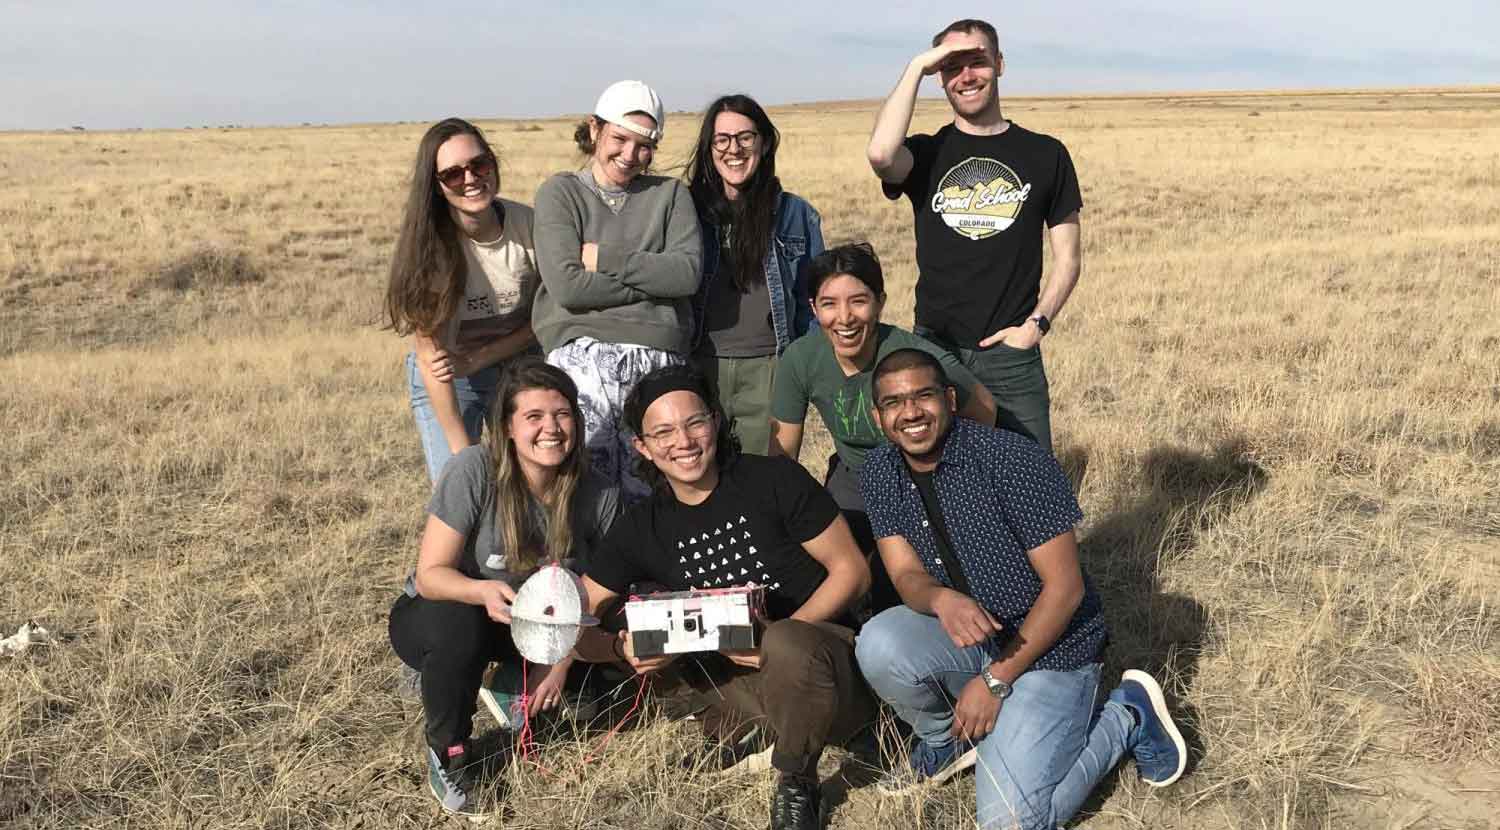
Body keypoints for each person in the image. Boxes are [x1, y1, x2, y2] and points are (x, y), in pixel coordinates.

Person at [854, 349, 1186, 830]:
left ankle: (1126, 716)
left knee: (1011, 823)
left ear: (949, 398)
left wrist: (994, 681)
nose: (910, 413)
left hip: (1052, 648)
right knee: (879, 644)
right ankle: (948, 742)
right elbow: (905, 574)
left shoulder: (1012, 460)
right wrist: (940, 599)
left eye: (923, 396)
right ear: (878, 414)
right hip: (972, 636)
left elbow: (1066, 590)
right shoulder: (881, 471)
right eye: (894, 402)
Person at [571, 364, 876, 830]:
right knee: (659, 633)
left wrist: (771, 642)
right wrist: (619, 648)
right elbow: (580, 617)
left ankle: (796, 780)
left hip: (817, 660)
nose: (684, 442)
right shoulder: (642, 525)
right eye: (664, 432)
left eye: (694, 422)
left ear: (715, 420)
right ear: (643, 447)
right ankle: (758, 732)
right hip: (733, 686)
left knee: (788, 646)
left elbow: (852, 573)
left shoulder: (773, 480)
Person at [388, 358, 621, 818]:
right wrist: (480, 593)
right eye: (534, 417)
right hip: (452, 614)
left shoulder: (597, 491)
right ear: (508, 427)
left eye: (562, 414)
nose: (551, 428)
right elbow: (432, 573)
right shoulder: (473, 470)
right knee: (457, 624)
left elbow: (605, 587)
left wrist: (561, 658)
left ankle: (509, 682)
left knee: (605, 686)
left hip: (543, 628)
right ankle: (449, 752)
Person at [867, 18, 1082, 451]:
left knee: (1034, 484)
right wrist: (916, 67)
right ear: (939, 77)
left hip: (1011, 355)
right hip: (935, 350)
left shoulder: (1046, 154)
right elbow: (880, 153)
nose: (966, 76)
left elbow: (1069, 258)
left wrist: (1035, 327)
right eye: (951, 66)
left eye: (977, 61)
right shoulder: (927, 153)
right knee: (943, 482)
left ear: (999, 64)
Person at [768, 242, 994, 610]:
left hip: (918, 471)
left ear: (880, 302)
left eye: (858, 300)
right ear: (813, 308)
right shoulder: (801, 358)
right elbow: (781, 458)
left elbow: (984, 409)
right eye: (829, 304)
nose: (844, 318)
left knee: (911, 574)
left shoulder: (910, 355)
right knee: (828, 560)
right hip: (854, 473)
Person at [532, 80, 702, 500]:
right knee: (584, 487)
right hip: (581, 356)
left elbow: (686, 276)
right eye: (620, 139)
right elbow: (568, 287)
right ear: (595, 130)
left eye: (645, 146)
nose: (630, 156)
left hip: (658, 355)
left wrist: (607, 259)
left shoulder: (671, 195)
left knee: (659, 486)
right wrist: (654, 285)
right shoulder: (561, 193)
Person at [386, 118, 541, 484]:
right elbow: (433, 359)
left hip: (518, 364)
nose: (470, 179)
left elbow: (547, 318)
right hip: (449, 378)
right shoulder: (426, 247)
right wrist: (461, 453)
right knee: (461, 484)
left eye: (479, 164)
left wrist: (478, 358)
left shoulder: (530, 225)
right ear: (437, 186)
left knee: (532, 480)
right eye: (453, 174)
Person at [686, 94, 825, 455]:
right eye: (722, 139)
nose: (734, 149)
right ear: (709, 147)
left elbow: (815, 302)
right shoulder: (686, 211)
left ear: (763, 143)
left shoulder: (796, 214)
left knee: (764, 484)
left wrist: (799, 368)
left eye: (746, 137)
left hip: (770, 369)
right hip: (698, 366)